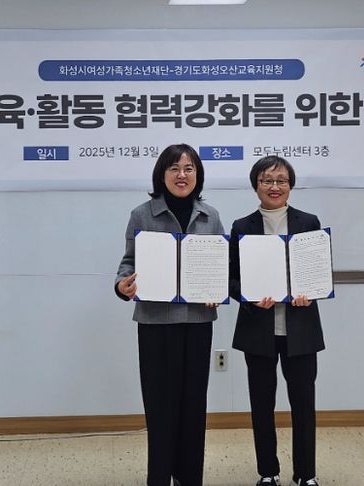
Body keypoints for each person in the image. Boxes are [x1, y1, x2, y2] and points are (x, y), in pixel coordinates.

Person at [115, 143, 224, 486]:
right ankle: (160, 477)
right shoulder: (142, 214)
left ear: (198, 175)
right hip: (155, 323)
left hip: (197, 323)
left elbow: (221, 264)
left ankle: (189, 477)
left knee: (193, 406)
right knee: (160, 406)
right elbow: (128, 262)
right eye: (174, 168)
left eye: (189, 168)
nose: (182, 175)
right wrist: (122, 285)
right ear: (161, 175)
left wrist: (217, 289)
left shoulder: (210, 216)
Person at [229, 156, 325, 486]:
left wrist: (311, 292)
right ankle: (268, 472)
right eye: (267, 180)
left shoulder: (309, 222)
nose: (274, 186)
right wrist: (249, 297)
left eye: (281, 180)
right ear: (255, 185)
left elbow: (318, 271)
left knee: (304, 404)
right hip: (258, 329)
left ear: (290, 185)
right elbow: (231, 279)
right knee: (261, 404)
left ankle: (306, 474)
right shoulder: (242, 226)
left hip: (301, 329)